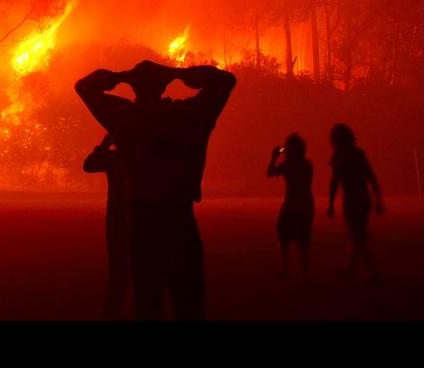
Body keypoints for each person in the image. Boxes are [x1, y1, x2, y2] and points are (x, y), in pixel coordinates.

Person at [75, 60, 236, 320]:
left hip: (142, 221)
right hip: (179, 217)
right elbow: (225, 81)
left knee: (148, 302)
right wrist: (178, 73)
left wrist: (122, 74)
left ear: (134, 88)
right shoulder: (190, 117)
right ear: (163, 85)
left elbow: (84, 87)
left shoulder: (125, 119)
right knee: (189, 302)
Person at [327, 124, 384, 285]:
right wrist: (378, 198)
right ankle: (350, 269)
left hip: (353, 200)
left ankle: (374, 272)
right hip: (361, 198)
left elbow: (335, 181)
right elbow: (370, 176)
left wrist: (331, 204)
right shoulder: (357, 154)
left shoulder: (340, 156)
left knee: (358, 236)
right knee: (357, 234)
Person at [84, 134, 129, 319]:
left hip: (117, 217)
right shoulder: (146, 156)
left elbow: (89, 165)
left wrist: (103, 146)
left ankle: (112, 311)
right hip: (143, 215)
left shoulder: (114, 158)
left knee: (118, 268)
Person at [267, 133, 314, 282]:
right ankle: (305, 274)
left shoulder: (287, 164)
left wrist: (274, 157)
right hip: (306, 205)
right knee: (303, 242)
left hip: (292, 205)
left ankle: (285, 269)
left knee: (283, 237)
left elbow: (270, 173)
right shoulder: (307, 164)